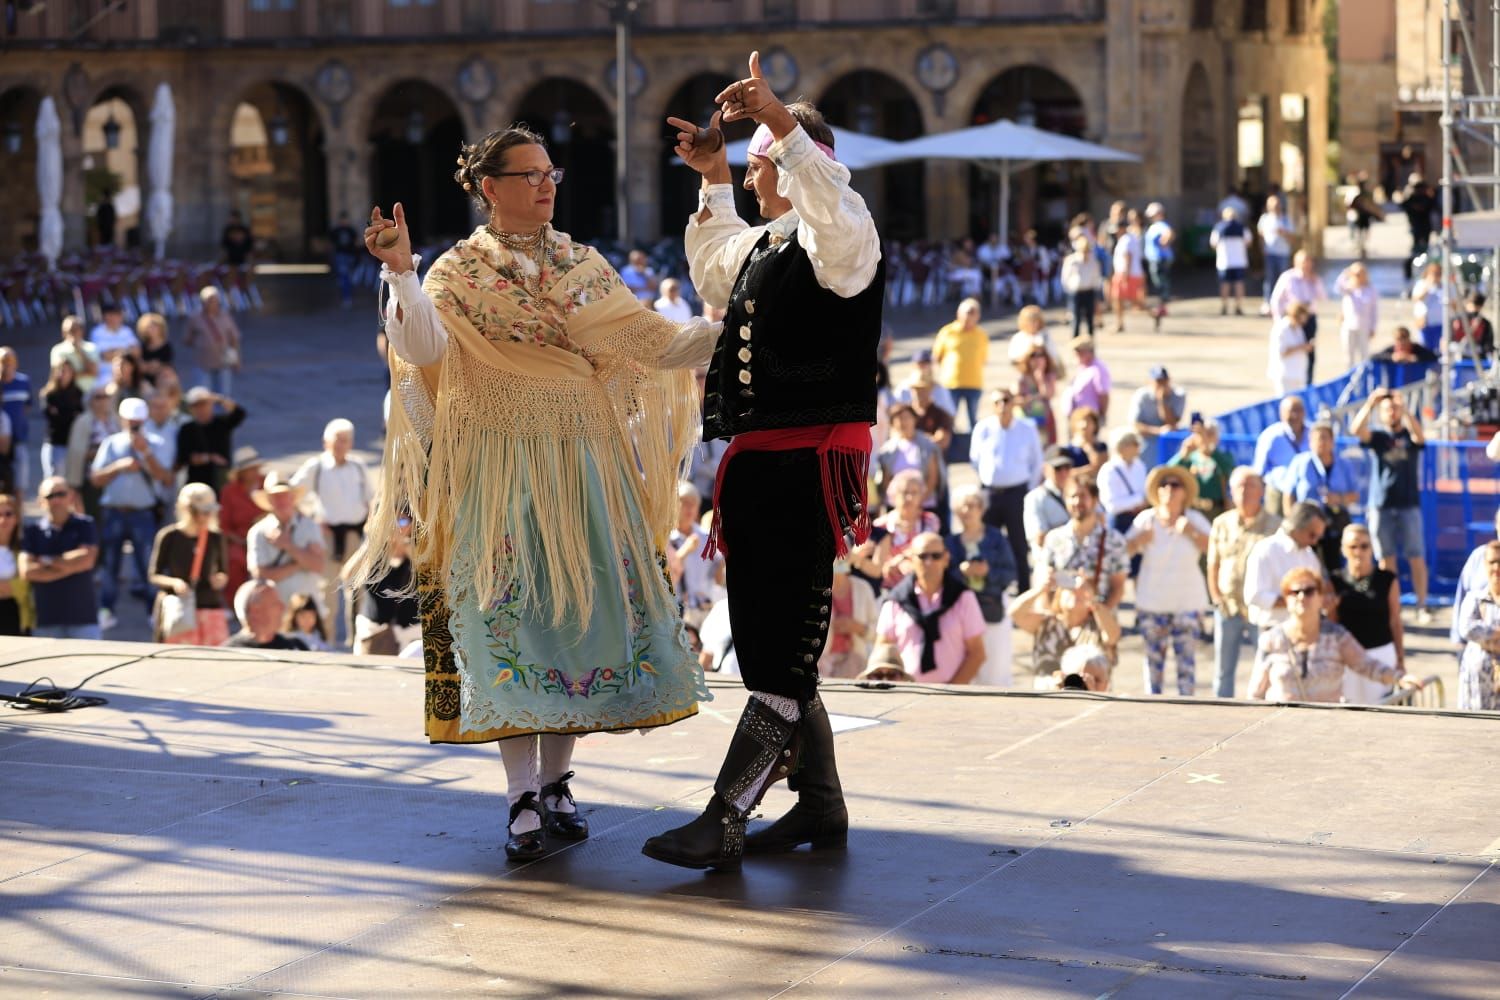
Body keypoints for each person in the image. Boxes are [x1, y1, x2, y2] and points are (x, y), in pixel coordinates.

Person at [366, 121, 713, 866]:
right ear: (490, 188)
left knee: (576, 617)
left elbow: (656, 343)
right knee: (507, 622)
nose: (546, 184)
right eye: (528, 175)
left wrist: (742, 314)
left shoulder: (584, 265)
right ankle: (521, 792)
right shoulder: (457, 271)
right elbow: (423, 349)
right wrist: (399, 272)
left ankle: (558, 782)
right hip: (496, 464)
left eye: (550, 172)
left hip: (585, 460)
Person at [644, 63, 885, 870]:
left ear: (797, 161)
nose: (751, 171)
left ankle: (725, 816)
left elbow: (829, 205)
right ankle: (819, 803)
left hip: (805, 468)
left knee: (781, 657)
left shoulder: (842, 234)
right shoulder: (768, 242)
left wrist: (781, 121)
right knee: (767, 644)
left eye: (759, 161)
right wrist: (711, 177)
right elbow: (714, 266)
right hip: (760, 471)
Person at [1248, 567, 1415, 703]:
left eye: (1309, 591)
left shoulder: (1336, 636)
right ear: (1285, 599)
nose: (1301, 596)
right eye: (1294, 592)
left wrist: (1399, 678)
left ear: (1321, 597)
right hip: (1281, 729)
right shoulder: (1271, 639)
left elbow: (1366, 665)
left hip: (1325, 729)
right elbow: (1256, 691)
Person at [90, 396, 174, 631]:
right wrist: (119, 467)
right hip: (114, 513)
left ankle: (153, 611)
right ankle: (106, 609)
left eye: (137, 422)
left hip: (143, 514)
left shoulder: (156, 442)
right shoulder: (111, 443)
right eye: (130, 422)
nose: (133, 426)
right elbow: (96, 478)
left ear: (144, 420)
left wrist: (145, 453)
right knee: (110, 565)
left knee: (148, 565)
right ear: (122, 420)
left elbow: (165, 477)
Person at [1127, 466, 1211, 696]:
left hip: (1187, 604)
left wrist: (1192, 532)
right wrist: (1139, 540)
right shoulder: (1146, 520)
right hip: (1152, 604)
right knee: (1153, 670)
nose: (1169, 489)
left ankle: (1187, 716)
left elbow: (1215, 549)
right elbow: (1122, 553)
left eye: (1176, 485)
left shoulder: (1194, 519)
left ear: (1184, 492)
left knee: (1186, 669)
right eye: (1164, 484)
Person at [1351, 387, 1430, 623]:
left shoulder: (1408, 435)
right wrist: (1371, 403)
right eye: (1388, 410)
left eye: (1395, 408)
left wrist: (1405, 410)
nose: (1392, 413)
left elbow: (1420, 437)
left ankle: (1422, 605)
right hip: (1381, 504)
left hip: (1408, 504)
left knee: (1416, 556)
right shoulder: (1378, 438)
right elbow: (1356, 430)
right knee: (1386, 558)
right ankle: (1391, 605)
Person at [291, 417, 372, 645]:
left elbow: (371, 499)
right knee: (326, 593)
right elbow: (293, 494)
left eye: (345, 440)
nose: (340, 445)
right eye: (337, 440)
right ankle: (327, 643)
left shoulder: (358, 466)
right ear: (326, 442)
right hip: (326, 536)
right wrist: (310, 517)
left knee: (357, 591)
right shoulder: (316, 467)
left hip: (354, 535)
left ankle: (355, 642)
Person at [870, 532, 986, 685]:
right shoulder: (896, 601)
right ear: (912, 559)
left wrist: (951, 692)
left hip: (952, 696)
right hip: (905, 694)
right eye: (922, 556)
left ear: (946, 558)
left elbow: (977, 653)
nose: (929, 562)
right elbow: (883, 650)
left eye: (936, 556)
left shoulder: (963, 597)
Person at [1207, 468, 1279, 698]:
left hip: (1260, 609)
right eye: (1239, 486)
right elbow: (1213, 564)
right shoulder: (1221, 523)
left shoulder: (1276, 526)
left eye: (1250, 485)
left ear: (1262, 491)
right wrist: (1216, 598)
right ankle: (1221, 712)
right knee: (1223, 669)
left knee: (1267, 666)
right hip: (1228, 607)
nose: (1244, 491)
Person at [971, 385, 1042, 591]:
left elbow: (1036, 463)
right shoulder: (983, 429)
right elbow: (975, 459)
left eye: (1006, 401)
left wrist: (1027, 490)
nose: (1002, 406)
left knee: (1018, 544)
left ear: (1013, 403)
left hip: (1016, 493)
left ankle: (1023, 591)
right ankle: (991, 590)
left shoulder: (1027, 428)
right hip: (990, 493)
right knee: (987, 543)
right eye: (997, 402)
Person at [947, 484, 1018, 686]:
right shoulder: (950, 543)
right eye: (963, 506)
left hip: (991, 609)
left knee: (995, 670)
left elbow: (1010, 573)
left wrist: (988, 573)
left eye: (973, 505)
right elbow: (942, 579)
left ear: (982, 508)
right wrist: (960, 573)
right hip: (960, 615)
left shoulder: (997, 538)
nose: (968, 510)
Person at [148, 482, 230, 646]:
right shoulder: (168, 536)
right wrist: (174, 582)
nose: (205, 517)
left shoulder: (216, 538)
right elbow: (153, 575)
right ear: (187, 510)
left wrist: (220, 579)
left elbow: (224, 571)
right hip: (178, 607)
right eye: (201, 512)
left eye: (209, 513)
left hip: (209, 607)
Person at [1328, 524, 1403, 704]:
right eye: (1352, 546)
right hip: (1347, 658)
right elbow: (1331, 623)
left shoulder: (1387, 579)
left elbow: (1395, 621)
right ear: (1343, 550)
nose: (1358, 551)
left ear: (1372, 548)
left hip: (1381, 654)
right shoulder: (1334, 580)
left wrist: (1400, 660)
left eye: (1364, 546)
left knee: (1383, 710)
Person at [19, 477, 100, 640]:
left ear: (70, 496)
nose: (56, 500)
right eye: (50, 496)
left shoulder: (86, 524)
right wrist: (71, 566)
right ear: (40, 501)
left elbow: (87, 560)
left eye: (61, 494)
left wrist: (47, 561)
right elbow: (27, 572)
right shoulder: (32, 531)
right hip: (46, 621)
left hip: (83, 619)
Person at [1010, 574, 1120, 689]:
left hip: (1092, 698)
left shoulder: (1099, 622)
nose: (1076, 592)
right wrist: (1041, 589)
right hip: (1047, 694)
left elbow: (1113, 636)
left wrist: (1094, 602)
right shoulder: (1047, 622)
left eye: (1083, 590)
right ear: (1059, 596)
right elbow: (1015, 614)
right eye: (1070, 589)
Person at [247, 470, 327, 624]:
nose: (281, 500)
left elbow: (319, 565)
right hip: (274, 613)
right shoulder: (258, 532)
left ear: (293, 497)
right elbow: (261, 575)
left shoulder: (310, 526)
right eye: (276, 496)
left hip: (307, 613)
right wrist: (300, 562)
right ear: (269, 500)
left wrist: (289, 546)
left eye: (285, 495)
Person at [1039, 472, 1128, 610]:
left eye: (1083, 496)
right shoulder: (1053, 539)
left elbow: (1118, 588)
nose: (1077, 502)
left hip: (1097, 622)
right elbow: (1044, 583)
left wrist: (1101, 618)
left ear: (1094, 500)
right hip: (1063, 621)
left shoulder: (1114, 540)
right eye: (1073, 496)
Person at [1284, 421, 1358, 571]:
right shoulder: (1300, 463)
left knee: (1334, 567)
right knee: (1306, 565)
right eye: (1316, 439)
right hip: (1306, 525)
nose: (1321, 443)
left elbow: (1355, 495)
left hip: (1334, 524)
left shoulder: (1344, 464)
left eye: (1325, 438)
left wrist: (1338, 499)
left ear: (1332, 441)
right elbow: (1288, 494)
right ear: (1310, 442)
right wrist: (1291, 520)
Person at [344, 513, 421, 656]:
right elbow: (348, 575)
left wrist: (404, 545)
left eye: (403, 520)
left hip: (410, 635)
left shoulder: (418, 550)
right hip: (373, 633)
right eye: (391, 521)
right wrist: (372, 542)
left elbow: (426, 572)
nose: (397, 526)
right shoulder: (373, 551)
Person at [1243, 502, 1327, 631]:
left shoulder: (1309, 555)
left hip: (1303, 630)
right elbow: (1254, 596)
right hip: (1271, 628)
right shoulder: (1266, 549)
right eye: (1312, 534)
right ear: (1297, 526)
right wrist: (1296, 601)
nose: (1315, 541)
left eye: (1318, 537)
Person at [854, 469, 941, 592]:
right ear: (894, 495)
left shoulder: (930, 521)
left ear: (921, 496)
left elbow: (931, 550)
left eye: (914, 493)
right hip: (889, 589)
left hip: (922, 587)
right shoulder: (880, 525)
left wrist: (899, 560)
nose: (909, 497)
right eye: (904, 492)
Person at [666, 481, 723, 632]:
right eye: (684, 502)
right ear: (673, 505)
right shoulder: (665, 539)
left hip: (705, 612)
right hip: (677, 612)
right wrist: (684, 552)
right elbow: (665, 577)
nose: (690, 508)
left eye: (694, 503)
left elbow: (718, 577)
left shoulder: (707, 538)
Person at [874, 403, 943, 517]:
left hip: (924, 505)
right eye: (898, 419)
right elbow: (886, 479)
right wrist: (899, 502)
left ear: (914, 419)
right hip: (896, 506)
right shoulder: (887, 450)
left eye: (906, 418)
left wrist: (917, 501)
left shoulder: (927, 445)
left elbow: (932, 478)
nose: (903, 422)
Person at [930, 297, 988, 430]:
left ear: (978, 316)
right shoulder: (947, 332)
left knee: (973, 421)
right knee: (948, 419)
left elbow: (984, 358)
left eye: (973, 313)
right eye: (967, 312)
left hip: (974, 383)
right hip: (951, 383)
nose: (969, 316)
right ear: (959, 313)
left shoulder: (981, 335)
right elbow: (937, 356)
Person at [1270, 251, 1328, 383]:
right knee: (1290, 349)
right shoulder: (1288, 277)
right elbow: (1276, 300)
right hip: (1293, 319)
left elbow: (1323, 297)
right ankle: (1288, 379)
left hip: (1309, 319)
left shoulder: (1314, 279)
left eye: (1309, 262)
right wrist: (1279, 320)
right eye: (1304, 262)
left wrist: (1315, 281)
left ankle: (1308, 382)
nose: (1307, 265)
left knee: (1309, 352)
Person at [176, 387, 246, 496]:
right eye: (196, 406)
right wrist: (210, 458)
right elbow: (184, 457)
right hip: (197, 483)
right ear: (191, 409)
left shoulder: (221, 423)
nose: (201, 409)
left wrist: (220, 399)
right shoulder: (187, 429)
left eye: (204, 404)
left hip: (221, 481)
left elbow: (240, 413)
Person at [816, 557, 878, 680]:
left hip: (855, 665)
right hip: (820, 666)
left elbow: (879, 634)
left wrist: (859, 628)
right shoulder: (816, 587)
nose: (839, 559)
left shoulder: (863, 588)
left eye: (844, 553)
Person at [1456, 540, 1500, 711]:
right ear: (1484, 565)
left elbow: (1477, 630)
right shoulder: (1475, 598)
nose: (1496, 568)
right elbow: (1467, 628)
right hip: (1476, 686)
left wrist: (1486, 635)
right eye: (1492, 562)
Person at [66, 384, 117, 520]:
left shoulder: (114, 419)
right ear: (90, 401)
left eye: (106, 396)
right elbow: (77, 453)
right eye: (98, 397)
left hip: (114, 478)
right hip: (91, 479)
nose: (103, 400)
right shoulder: (83, 421)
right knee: (94, 517)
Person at [1252, 395, 1309, 515]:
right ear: (1281, 414)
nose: (1295, 415)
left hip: (1305, 492)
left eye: (1298, 410)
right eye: (1290, 411)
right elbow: (1259, 470)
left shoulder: (1312, 433)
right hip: (1278, 491)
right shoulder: (1271, 436)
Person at [220, 446, 263, 602]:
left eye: (255, 468)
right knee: (234, 560)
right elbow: (223, 525)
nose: (253, 472)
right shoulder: (230, 491)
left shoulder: (268, 484)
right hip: (240, 540)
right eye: (249, 469)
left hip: (268, 538)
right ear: (241, 473)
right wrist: (241, 541)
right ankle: (236, 602)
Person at [184, 287, 242, 396]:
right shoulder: (195, 317)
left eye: (214, 300)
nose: (212, 303)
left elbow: (234, 338)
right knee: (203, 394)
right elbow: (187, 339)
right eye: (209, 300)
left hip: (223, 361)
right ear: (202, 302)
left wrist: (236, 358)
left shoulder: (225, 316)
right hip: (202, 362)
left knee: (223, 393)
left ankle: (222, 413)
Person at [226, 580, 309, 650]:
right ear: (255, 611)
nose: (282, 607)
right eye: (275, 603)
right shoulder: (230, 653)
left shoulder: (296, 647)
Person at [1098, 427, 1149, 538]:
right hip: (1119, 523)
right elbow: (1112, 505)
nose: (1137, 447)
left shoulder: (1140, 466)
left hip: (1139, 521)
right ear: (1122, 446)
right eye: (1133, 444)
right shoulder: (1109, 470)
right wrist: (1139, 500)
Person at [39, 361, 83, 483]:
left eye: (67, 371)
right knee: (53, 480)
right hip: (55, 442)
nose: (63, 374)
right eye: (61, 370)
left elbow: (79, 417)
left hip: (72, 442)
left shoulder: (78, 393)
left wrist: (61, 413)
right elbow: (51, 416)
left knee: (71, 481)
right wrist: (69, 414)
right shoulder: (49, 394)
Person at [0, 347, 34, 499]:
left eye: (10, 361)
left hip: (19, 440)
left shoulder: (23, 381)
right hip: (1, 444)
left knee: (19, 487)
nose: (7, 365)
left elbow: (26, 406)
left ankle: (18, 522)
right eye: (3, 362)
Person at [1131, 365, 1186, 450]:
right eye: (1158, 382)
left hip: (1168, 446)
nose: (1161, 385)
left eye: (1164, 381)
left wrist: (1162, 401)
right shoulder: (1142, 396)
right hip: (1146, 445)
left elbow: (1172, 423)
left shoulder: (1178, 395)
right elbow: (1136, 425)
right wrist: (1158, 431)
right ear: (1150, 381)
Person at [1335, 263, 1379, 370]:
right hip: (1348, 326)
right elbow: (1337, 287)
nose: (1359, 276)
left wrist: (1373, 327)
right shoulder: (1349, 287)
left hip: (1364, 326)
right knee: (1348, 356)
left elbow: (1374, 310)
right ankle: (1349, 377)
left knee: (1364, 354)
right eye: (1357, 274)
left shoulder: (1371, 289)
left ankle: (1363, 378)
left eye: (1361, 274)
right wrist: (1346, 273)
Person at [1256, 194, 1295, 313]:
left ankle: (1284, 302)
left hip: (1283, 253)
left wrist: (1283, 233)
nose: (1275, 207)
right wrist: (1262, 247)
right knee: (1269, 278)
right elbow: (1261, 235)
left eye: (1277, 205)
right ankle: (1268, 302)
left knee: (1284, 279)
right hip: (1270, 253)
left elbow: (1293, 238)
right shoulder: (1265, 219)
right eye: (1272, 205)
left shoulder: (1286, 219)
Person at [1060, 230, 1103, 337]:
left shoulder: (1093, 261)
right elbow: (1065, 277)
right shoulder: (1072, 260)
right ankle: (1075, 343)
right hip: (1076, 292)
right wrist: (1070, 289)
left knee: (1090, 320)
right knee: (1076, 319)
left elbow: (1096, 277)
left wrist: (1096, 290)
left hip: (1089, 291)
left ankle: (1090, 344)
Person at [1267, 301, 1313, 397]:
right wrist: (1301, 347)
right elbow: (1282, 352)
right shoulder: (1281, 328)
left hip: (1298, 373)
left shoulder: (1298, 329)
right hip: (1285, 374)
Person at [1111, 208, 1146, 332]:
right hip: (1127, 273)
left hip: (1126, 274)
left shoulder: (1126, 239)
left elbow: (1128, 257)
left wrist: (1125, 275)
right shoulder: (1128, 238)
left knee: (1131, 302)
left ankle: (1153, 314)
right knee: (1121, 300)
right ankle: (1120, 323)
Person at [1210, 206, 1249, 315]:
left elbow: (1213, 243)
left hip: (1224, 261)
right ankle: (1238, 306)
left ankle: (1224, 306)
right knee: (1239, 284)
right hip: (1239, 261)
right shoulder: (1241, 227)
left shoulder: (1219, 227)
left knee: (1225, 284)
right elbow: (1248, 241)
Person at [1142, 202, 1174, 328]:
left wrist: (1164, 242)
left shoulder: (1161, 225)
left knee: (1160, 283)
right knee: (1158, 282)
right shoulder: (1155, 226)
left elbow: (1169, 233)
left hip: (1160, 259)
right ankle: (1161, 305)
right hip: (1156, 258)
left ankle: (1162, 305)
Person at [51, 315, 102, 393]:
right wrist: (85, 373)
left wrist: (79, 351)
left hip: (90, 393)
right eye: (68, 330)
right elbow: (59, 375)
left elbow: (94, 372)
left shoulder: (92, 348)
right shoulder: (57, 350)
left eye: (75, 330)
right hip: (67, 395)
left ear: (82, 331)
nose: (72, 333)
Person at [1065, 334, 1110, 422]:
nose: (1075, 355)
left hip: (1089, 418)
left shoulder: (1098, 369)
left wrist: (1101, 416)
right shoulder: (1083, 367)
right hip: (1076, 416)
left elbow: (1104, 395)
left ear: (1087, 352)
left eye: (1078, 352)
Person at [1399, 172, 1436, 277]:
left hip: (1424, 225)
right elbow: (1405, 205)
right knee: (1416, 249)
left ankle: (1425, 271)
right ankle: (1411, 271)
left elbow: (1431, 205)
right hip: (1416, 225)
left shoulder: (1426, 194)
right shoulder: (1410, 194)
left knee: (1424, 249)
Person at [0, 493, 27, 635]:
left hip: (16, 618)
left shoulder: (23, 549)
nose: (3, 519)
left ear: (16, 518)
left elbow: (26, 588)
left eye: (8, 514)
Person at [1410, 260, 1449, 354]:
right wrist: (1428, 286)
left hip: (1441, 324)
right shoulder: (1422, 284)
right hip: (1426, 323)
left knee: (1440, 350)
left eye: (1439, 273)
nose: (1437, 276)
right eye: (1434, 273)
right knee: (1425, 349)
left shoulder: (1445, 286)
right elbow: (1416, 299)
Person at [329, 211, 360, 309]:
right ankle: (347, 297)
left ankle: (347, 296)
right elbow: (331, 242)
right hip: (341, 255)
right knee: (344, 277)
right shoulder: (336, 230)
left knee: (348, 277)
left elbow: (356, 242)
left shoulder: (351, 230)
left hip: (349, 255)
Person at [1452, 291, 1495, 362]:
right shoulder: (1457, 320)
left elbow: (1488, 344)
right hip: (1459, 356)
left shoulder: (1485, 323)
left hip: (1479, 358)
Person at [1064, 406, 1106, 473]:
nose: (1084, 425)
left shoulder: (1101, 447)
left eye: (1089, 421)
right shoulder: (1068, 449)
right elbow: (1066, 473)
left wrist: (1088, 448)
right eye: (1081, 421)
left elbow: (1100, 466)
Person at [135, 313, 174, 386]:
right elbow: (142, 367)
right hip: (146, 381)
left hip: (163, 379)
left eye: (154, 327)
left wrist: (152, 366)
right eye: (149, 327)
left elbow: (162, 365)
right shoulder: (142, 347)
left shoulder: (167, 347)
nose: (152, 330)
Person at [1371, 324, 1438, 365]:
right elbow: (1374, 356)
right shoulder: (1392, 349)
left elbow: (1433, 356)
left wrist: (1414, 358)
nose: (1401, 344)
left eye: (1403, 340)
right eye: (1398, 340)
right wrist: (1392, 357)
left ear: (1408, 340)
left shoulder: (1416, 348)